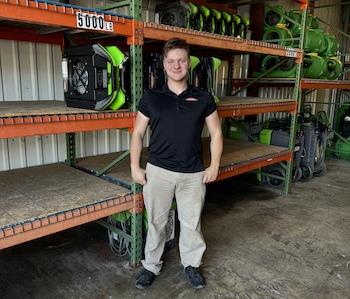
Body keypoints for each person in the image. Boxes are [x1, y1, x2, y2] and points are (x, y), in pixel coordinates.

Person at [130, 38, 223, 290]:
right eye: (171, 61)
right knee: (156, 223)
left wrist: (214, 165)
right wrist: (135, 167)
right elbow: (137, 133)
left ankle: (191, 264)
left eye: (181, 60)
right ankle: (151, 265)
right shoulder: (152, 97)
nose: (176, 65)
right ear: (163, 64)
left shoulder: (203, 98)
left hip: (193, 174)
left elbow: (215, 133)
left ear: (188, 63)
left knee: (192, 223)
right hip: (158, 172)